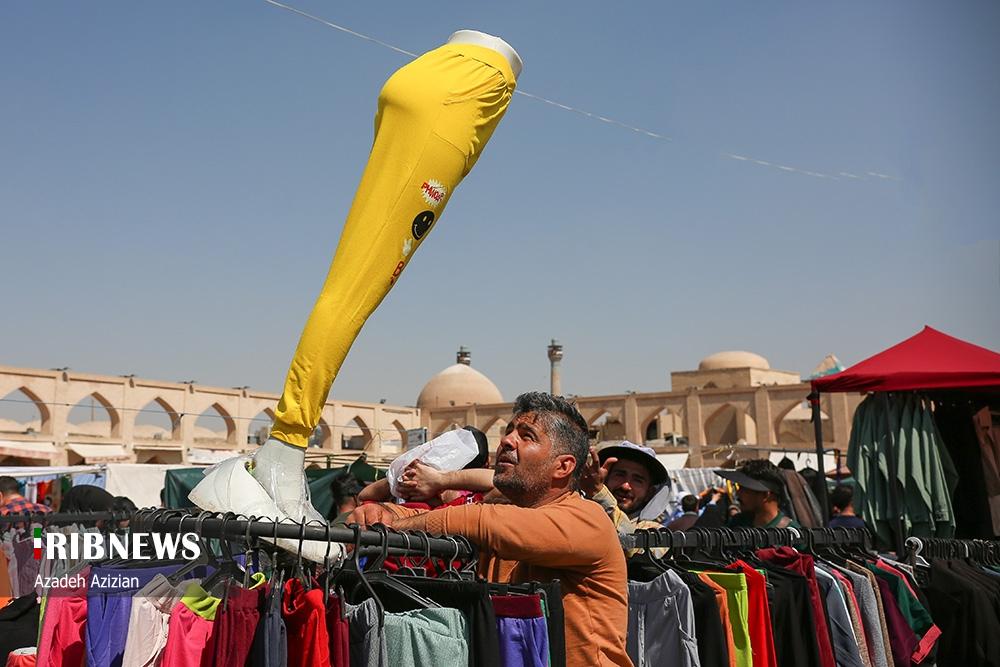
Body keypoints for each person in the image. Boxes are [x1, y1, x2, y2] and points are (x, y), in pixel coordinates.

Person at [193, 30, 523, 529]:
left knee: (355, 276)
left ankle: (283, 451)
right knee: (357, 287)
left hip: (444, 66)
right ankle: (283, 449)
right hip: (467, 92)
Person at [349, 392, 633, 667]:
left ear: (563, 466)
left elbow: (479, 520)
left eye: (527, 436)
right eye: (509, 432)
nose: (507, 441)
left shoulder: (587, 519)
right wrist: (384, 513)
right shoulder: (506, 510)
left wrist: (395, 525)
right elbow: (446, 514)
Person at [579, 441, 671, 533]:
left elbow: (631, 537)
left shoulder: (655, 533)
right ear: (605, 478)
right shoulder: (581, 517)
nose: (625, 486)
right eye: (620, 475)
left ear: (649, 493)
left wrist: (598, 493)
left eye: (637, 480)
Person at [715, 459, 802, 529]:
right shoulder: (737, 524)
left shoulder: (791, 534)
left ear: (766, 495)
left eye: (744, 489)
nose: (738, 493)